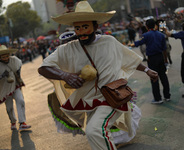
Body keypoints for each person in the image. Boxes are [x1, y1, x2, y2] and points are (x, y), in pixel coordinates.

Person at [38, 1, 158, 149]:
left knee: (94, 130)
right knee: (94, 132)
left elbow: (128, 58)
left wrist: (147, 70)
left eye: (85, 27)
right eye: (77, 28)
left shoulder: (109, 42)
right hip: (88, 101)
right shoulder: (67, 49)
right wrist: (65, 75)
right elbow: (43, 68)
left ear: (95, 26)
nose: (81, 32)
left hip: (111, 97)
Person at [130, 18, 171, 104]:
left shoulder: (146, 35)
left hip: (152, 59)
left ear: (147, 26)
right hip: (160, 57)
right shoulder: (161, 35)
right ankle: (167, 96)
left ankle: (158, 98)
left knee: (154, 77)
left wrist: (132, 44)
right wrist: (165, 59)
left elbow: (139, 43)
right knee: (163, 77)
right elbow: (164, 49)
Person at [0, 45, 31, 130]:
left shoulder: (14, 60)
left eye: (6, 56)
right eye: (3, 56)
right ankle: (13, 122)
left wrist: (18, 75)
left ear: (8, 54)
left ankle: (22, 122)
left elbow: (19, 66)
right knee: (9, 107)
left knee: (20, 100)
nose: (5, 58)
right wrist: (2, 75)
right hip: (5, 89)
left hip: (15, 85)